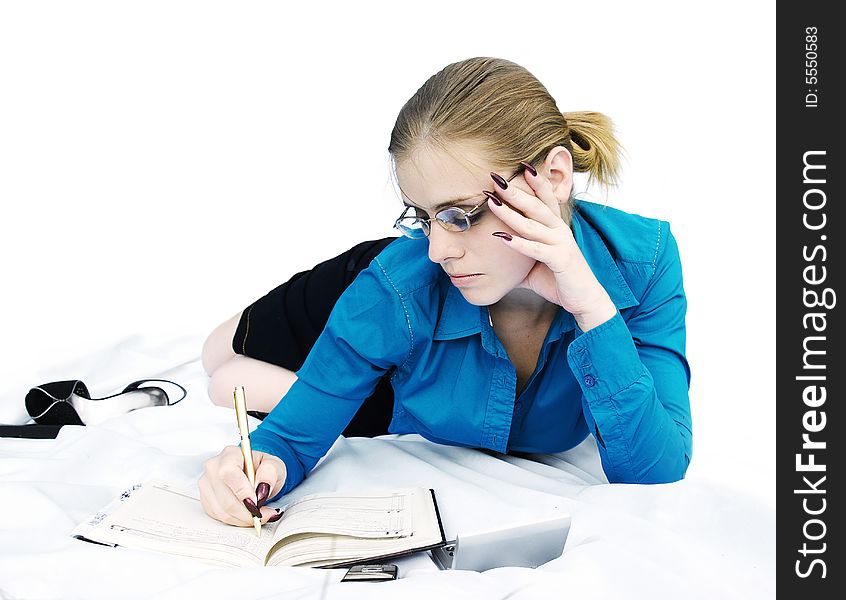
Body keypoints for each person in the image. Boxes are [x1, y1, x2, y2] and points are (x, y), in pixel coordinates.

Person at [198, 57, 692, 527]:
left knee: (230, 385)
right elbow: (287, 440)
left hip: (408, 370)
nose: (438, 247)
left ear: (553, 178)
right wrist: (254, 464)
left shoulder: (644, 261)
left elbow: (656, 472)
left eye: (460, 215)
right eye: (423, 215)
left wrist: (590, 306)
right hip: (374, 292)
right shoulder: (403, 278)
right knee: (217, 357)